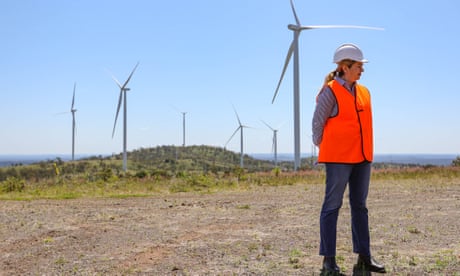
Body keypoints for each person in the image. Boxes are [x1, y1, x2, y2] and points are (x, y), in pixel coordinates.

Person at [312, 43, 386, 274]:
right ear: (345, 67)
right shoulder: (330, 90)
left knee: (360, 206)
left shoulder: (364, 91)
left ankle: (364, 257)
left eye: (362, 66)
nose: (362, 70)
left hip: (362, 156)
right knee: (332, 206)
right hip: (339, 158)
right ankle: (329, 261)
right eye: (358, 66)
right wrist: (325, 145)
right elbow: (317, 122)